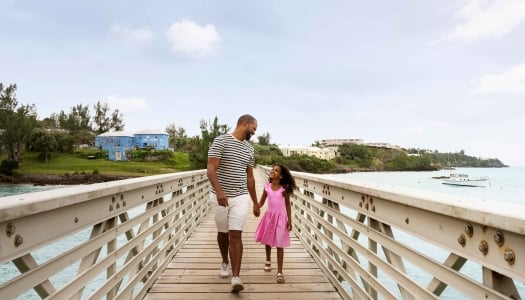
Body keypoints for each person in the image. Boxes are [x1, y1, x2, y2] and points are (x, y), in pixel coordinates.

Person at [206, 114, 260, 293]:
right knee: (223, 233)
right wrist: (220, 192)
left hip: (240, 196)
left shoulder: (249, 149)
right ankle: (224, 261)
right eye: (253, 128)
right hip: (219, 196)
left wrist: (255, 202)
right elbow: (211, 168)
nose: (254, 133)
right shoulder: (221, 141)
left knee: (236, 234)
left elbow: (250, 177)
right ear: (245, 124)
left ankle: (236, 277)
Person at [254, 164, 296, 284]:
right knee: (267, 240)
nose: (273, 171)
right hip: (269, 217)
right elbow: (262, 201)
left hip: (281, 219)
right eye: (272, 169)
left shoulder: (284, 188)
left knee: (279, 244)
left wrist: (289, 220)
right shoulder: (267, 186)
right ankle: (268, 259)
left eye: (276, 170)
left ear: (281, 176)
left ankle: (280, 272)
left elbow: (287, 205)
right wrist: (256, 206)